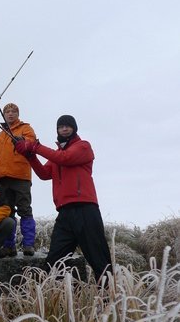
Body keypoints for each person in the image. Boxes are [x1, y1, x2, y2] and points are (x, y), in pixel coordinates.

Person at [15, 114, 113, 283]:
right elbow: (44, 174)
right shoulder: (57, 154)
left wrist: (34, 146)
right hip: (65, 213)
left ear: (74, 129)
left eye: (68, 126)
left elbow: (64, 159)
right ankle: (54, 298)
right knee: (55, 259)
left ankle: (109, 297)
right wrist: (30, 155)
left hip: (85, 210)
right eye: (61, 126)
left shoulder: (83, 147)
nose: (64, 128)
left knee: (98, 258)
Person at [0, 102, 37, 256]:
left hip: (20, 176)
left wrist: (20, 140)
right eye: (7, 112)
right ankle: (9, 246)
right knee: (7, 212)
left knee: (25, 210)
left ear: (18, 114)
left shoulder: (26, 128)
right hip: (2, 178)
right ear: (4, 115)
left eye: (13, 111)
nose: (10, 114)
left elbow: (31, 143)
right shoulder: (0, 134)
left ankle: (28, 245)